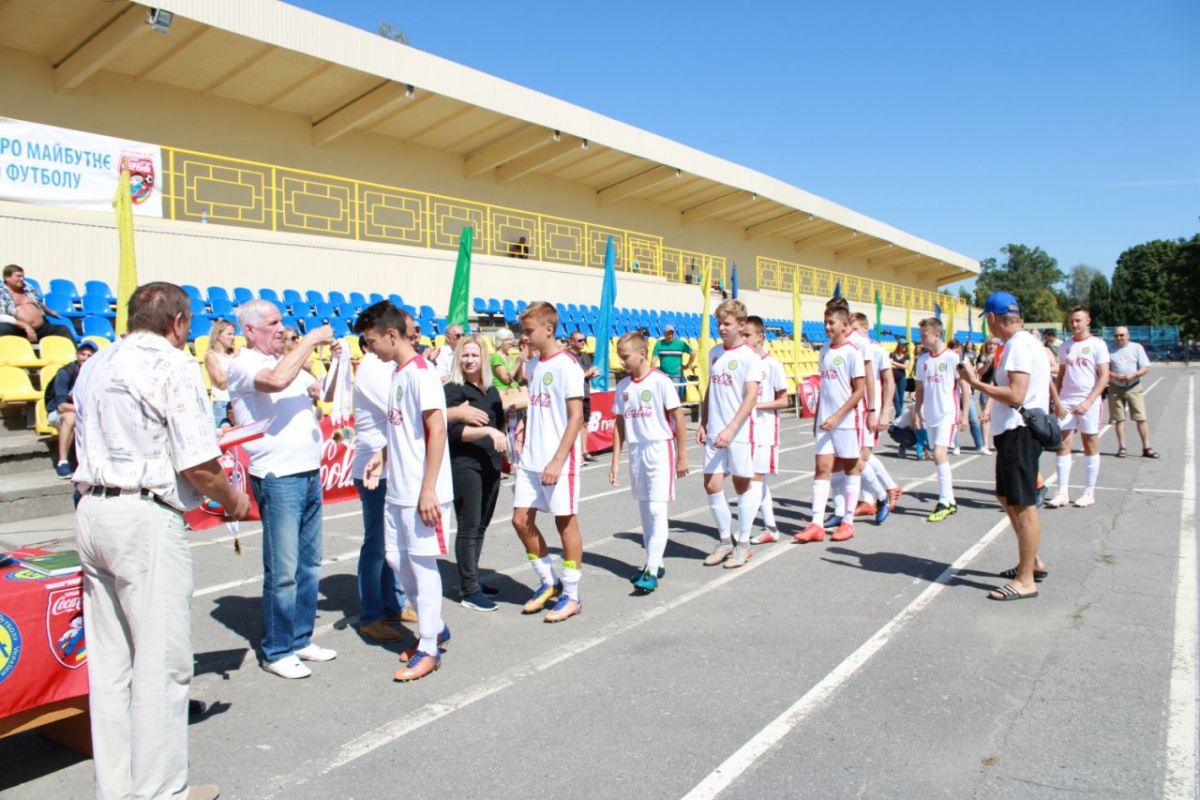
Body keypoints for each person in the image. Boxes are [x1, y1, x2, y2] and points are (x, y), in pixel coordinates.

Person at [73, 281, 250, 800]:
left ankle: (118, 788)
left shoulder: (96, 363)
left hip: (93, 508)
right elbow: (197, 462)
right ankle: (160, 792)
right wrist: (234, 498)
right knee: (161, 664)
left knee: (111, 667)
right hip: (143, 515)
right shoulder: (172, 365)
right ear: (177, 323)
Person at [227, 299, 339, 680]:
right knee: (284, 568)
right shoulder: (245, 364)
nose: (280, 328)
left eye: (281, 322)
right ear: (250, 330)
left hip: (308, 471)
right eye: (272, 323)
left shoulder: (289, 363)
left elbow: (325, 394)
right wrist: (309, 341)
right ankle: (277, 648)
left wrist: (336, 362)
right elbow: (274, 381)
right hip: (278, 476)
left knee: (309, 564)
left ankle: (300, 637)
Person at [358, 302, 453, 681]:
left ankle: (428, 645)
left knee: (421, 562)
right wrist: (382, 456)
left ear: (392, 335)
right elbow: (401, 427)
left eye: (372, 341)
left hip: (421, 491)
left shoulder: (420, 373)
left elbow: (438, 429)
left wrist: (428, 488)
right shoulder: (396, 373)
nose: (370, 349)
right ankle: (436, 626)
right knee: (397, 560)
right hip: (398, 487)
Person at [958, 292, 1049, 600]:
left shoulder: (1018, 346)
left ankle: (1026, 579)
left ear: (994, 319)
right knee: (1005, 495)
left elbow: (1016, 395)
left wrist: (975, 383)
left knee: (1023, 504)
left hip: (1019, 431)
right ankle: (1031, 562)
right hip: (1014, 431)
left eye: (989, 321)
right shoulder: (1026, 344)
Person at [511, 301, 586, 622]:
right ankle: (549, 582)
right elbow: (539, 408)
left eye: (529, 331)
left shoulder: (567, 365)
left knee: (564, 523)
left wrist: (557, 460)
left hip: (558, 461)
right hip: (531, 459)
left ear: (549, 329)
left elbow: (575, 416)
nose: (524, 338)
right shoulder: (535, 366)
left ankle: (571, 594)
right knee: (519, 521)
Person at [608, 332, 689, 593]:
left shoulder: (660, 381)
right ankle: (654, 560)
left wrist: (682, 456)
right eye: (621, 358)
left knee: (656, 509)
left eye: (626, 357)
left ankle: (651, 570)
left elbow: (678, 418)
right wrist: (615, 461)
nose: (623, 362)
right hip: (636, 451)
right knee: (644, 510)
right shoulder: (623, 387)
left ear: (642, 353)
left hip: (659, 448)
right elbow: (619, 424)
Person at [350, 342, 413, 643]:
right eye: (407, 334)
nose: (412, 340)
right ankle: (371, 616)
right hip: (373, 469)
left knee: (392, 543)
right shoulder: (372, 368)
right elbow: (399, 409)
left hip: (391, 466)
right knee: (376, 545)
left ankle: (393, 604)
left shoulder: (390, 366)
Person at [697, 298, 762, 567]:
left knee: (740, 484)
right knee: (711, 484)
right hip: (715, 431)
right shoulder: (715, 353)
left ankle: (744, 543)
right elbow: (710, 390)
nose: (721, 328)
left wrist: (731, 428)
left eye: (727, 324)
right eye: (719, 323)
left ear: (741, 325)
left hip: (738, 432)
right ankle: (725, 540)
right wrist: (703, 421)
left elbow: (751, 396)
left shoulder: (749, 356)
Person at [444, 333, 507, 612]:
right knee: (468, 527)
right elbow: (455, 432)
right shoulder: (454, 390)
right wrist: (486, 430)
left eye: (474, 355)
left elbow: (500, 424)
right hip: (465, 465)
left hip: (490, 465)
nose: (469, 360)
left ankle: (472, 580)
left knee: (481, 526)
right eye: (464, 355)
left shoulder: (490, 391)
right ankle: (469, 589)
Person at [795, 301, 866, 543]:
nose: (826, 327)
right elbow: (824, 387)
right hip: (825, 422)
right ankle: (816, 523)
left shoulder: (852, 352)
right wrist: (818, 417)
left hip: (845, 422)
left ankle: (847, 521)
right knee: (822, 468)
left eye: (831, 322)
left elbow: (859, 392)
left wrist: (837, 416)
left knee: (850, 468)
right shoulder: (824, 348)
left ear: (845, 325)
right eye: (825, 322)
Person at [1045, 306, 1110, 509]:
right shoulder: (1065, 346)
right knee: (1063, 445)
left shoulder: (1097, 345)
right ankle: (1062, 492)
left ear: (1088, 321)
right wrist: (1056, 401)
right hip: (1066, 401)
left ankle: (1088, 492)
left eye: (1078, 320)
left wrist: (1089, 401)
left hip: (1088, 401)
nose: (1075, 324)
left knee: (1090, 444)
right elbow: (1061, 375)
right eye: (1072, 321)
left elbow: (1104, 376)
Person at [913, 319, 969, 522]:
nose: (921, 338)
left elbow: (964, 387)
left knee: (939, 454)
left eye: (924, 335)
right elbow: (920, 389)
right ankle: (951, 500)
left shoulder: (952, 358)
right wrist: (916, 411)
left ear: (937, 335)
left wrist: (964, 414)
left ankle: (944, 501)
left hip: (947, 412)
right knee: (936, 456)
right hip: (931, 414)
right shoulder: (923, 360)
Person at [743, 317, 788, 544]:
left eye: (748, 335)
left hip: (764, 431)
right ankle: (770, 527)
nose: (744, 340)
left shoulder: (773, 365)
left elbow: (784, 401)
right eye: (742, 335)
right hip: (745, 433)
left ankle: (744, 530)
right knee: (756, 482)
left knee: (755, 480)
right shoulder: (743, 363)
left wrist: (755, 405)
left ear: (760, 336)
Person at [45, 340, 97, 478]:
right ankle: (62, 462)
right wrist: (87, 410)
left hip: (82, 414)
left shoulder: (96, 375)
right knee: (70, 417)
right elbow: (61, 406)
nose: (85, 358)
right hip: (56, 413)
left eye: (89, 355)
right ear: (76, 355)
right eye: (82, 354)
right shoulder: (65, 373)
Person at [1108, 326, 1159, 459]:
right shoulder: (1109, 350)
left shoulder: (1136, 348)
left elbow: (1146, 366)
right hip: (1115, 386)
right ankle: (1122, 447)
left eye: (1122, 335)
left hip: (1133, 386)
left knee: (1140, 417)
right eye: (1117, 336)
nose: (1119, 338)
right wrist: (1115, 375)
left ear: (1128, 335)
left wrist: (1134, 375)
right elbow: (1103, 370)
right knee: (1119, 419)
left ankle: (1147, 447)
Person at [0, 264, 75, 341]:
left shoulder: (28, 287)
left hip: (40, 328)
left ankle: (77, 353)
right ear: (7, 277)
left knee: (63, 329)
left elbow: (37, 302)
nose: (22, 279)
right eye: (18, 276)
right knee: (3, 328)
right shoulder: (1, 292)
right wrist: (25, 326)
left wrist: (50, 312)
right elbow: (1, 316)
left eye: (23, 276)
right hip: (19, 329)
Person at [568, 330, 600, 462]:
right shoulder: (568, 357)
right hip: (574, 394)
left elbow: (586, 374)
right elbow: (571, 377)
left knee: (585, 423)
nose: (583, 342)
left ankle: (584, 451)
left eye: (583, 340)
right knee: (575, 422)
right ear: (572, 342)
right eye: (580, 340)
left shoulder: (585, 356)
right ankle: (575, 453)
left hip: (585, 392)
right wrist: (588, 373)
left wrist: (592, 375)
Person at [204, 319, 238, 429]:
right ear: (218, 335)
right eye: (229, 334)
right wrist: (236, 362)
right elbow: (221, 383)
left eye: (233, 334)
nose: (232, 337)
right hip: (222, 404)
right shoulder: (212, 356)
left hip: (237, 401)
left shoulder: (234, 353)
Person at [652, 324, 695, 401]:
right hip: (663, 376)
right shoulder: (659, 344)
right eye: (668, 333)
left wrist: (687, 366)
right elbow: (653, 360)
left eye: (672, 333)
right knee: (663, 397)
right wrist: (652, 373)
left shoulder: (680, 344)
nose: (670, 335)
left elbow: (693, 353)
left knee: (674, 398)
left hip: (676, 375)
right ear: (664, 334)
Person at [889, 339, 910, 418]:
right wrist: (899, 365)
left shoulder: (907, 355)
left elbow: (905, 366)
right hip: (892, 378)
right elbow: (889, 364)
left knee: (901, 398)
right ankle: (900, 415)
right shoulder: (892, 354)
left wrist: (894, 363)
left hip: (901, 378)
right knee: (895, 398)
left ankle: (899, 415)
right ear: (899, 345)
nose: (904, 346)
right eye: (903, 345)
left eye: (905, 345)